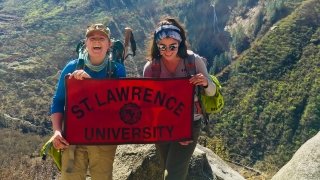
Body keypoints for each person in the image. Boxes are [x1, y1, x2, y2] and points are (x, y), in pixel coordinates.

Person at [143, 17, 216, 180]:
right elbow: (147, 103)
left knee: (173, 173)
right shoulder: (151, 68)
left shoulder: (193, 61)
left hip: (189, 123)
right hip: (163, 126)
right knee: (168, 167)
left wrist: (205, 82)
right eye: (162, 47)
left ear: (180, 43)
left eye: (172, 46)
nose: (167, 51)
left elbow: (212, 92)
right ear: (157, 45)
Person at [50, 23, 126, 180]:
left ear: (109, 44)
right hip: (73, 140)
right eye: (92, 38)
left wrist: (90, 83)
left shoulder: (117, 70)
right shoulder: (72, 67)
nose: (96, 42)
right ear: (86, 42)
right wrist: (57, 131)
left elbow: (119, 105)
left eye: (101, 38)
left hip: (104, 139)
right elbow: (58, 101)